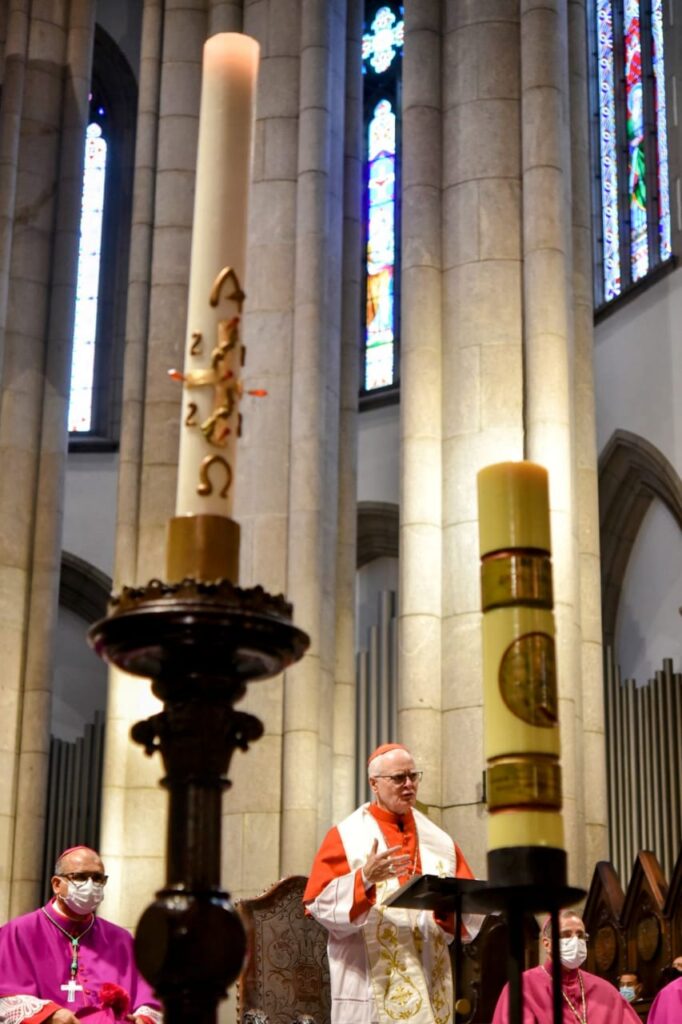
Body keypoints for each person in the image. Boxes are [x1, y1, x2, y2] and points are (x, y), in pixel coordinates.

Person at [303, 742, 482, 1024]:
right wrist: (364, 879)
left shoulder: (441, 842)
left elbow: (467, 916)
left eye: (414, 776)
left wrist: (445, 908)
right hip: (368, 984)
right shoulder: (346, 836)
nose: (409, 784)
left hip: (429, 980)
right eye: (398, 778)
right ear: (374, 784)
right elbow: (320, 906)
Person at [0, 845, 161, 1024]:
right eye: (81, 877)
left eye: (98, 878)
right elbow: (5, 996)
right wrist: (50, 1014)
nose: (91, 885)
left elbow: (150, 997)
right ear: (57, 885)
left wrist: (143, 1019)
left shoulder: (122, 940)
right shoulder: (17, 933)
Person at [492, 909, 640, 1024]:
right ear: (547, 943)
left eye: (580, 935)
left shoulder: (606, 991)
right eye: (566, 935)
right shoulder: (522, 988)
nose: (575, 941)